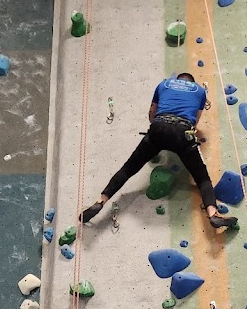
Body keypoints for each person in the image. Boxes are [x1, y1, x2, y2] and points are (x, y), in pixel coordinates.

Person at [79, 73, 238, 230]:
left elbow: (152, 113)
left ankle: (101, 201)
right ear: (192, 82)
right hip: (182, 132)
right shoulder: (200, 91)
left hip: (159, 127)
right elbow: (195, 121)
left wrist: (155, 133)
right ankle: (213, 214)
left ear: (177, 80)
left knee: (128, 168)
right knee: (202, 178)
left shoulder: (164, 84)